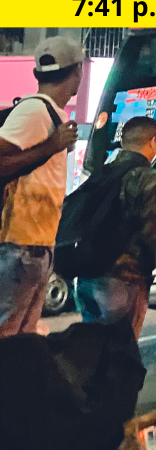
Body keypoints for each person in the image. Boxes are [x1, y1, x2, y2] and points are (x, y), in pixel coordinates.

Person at [0, 36, 81, 338]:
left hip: (34, 246)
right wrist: (50, 146)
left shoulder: (51, 114)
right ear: (77, 73)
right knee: (9, 335)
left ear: (37, 74)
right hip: (18, 246)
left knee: (23, 337)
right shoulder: (33, 111)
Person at [73, 117, 156, 338]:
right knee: (120, 356)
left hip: (88, 276)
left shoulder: (101, 173)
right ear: (154, 142)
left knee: (91, 350)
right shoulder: (148, 177)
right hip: (124, 278)